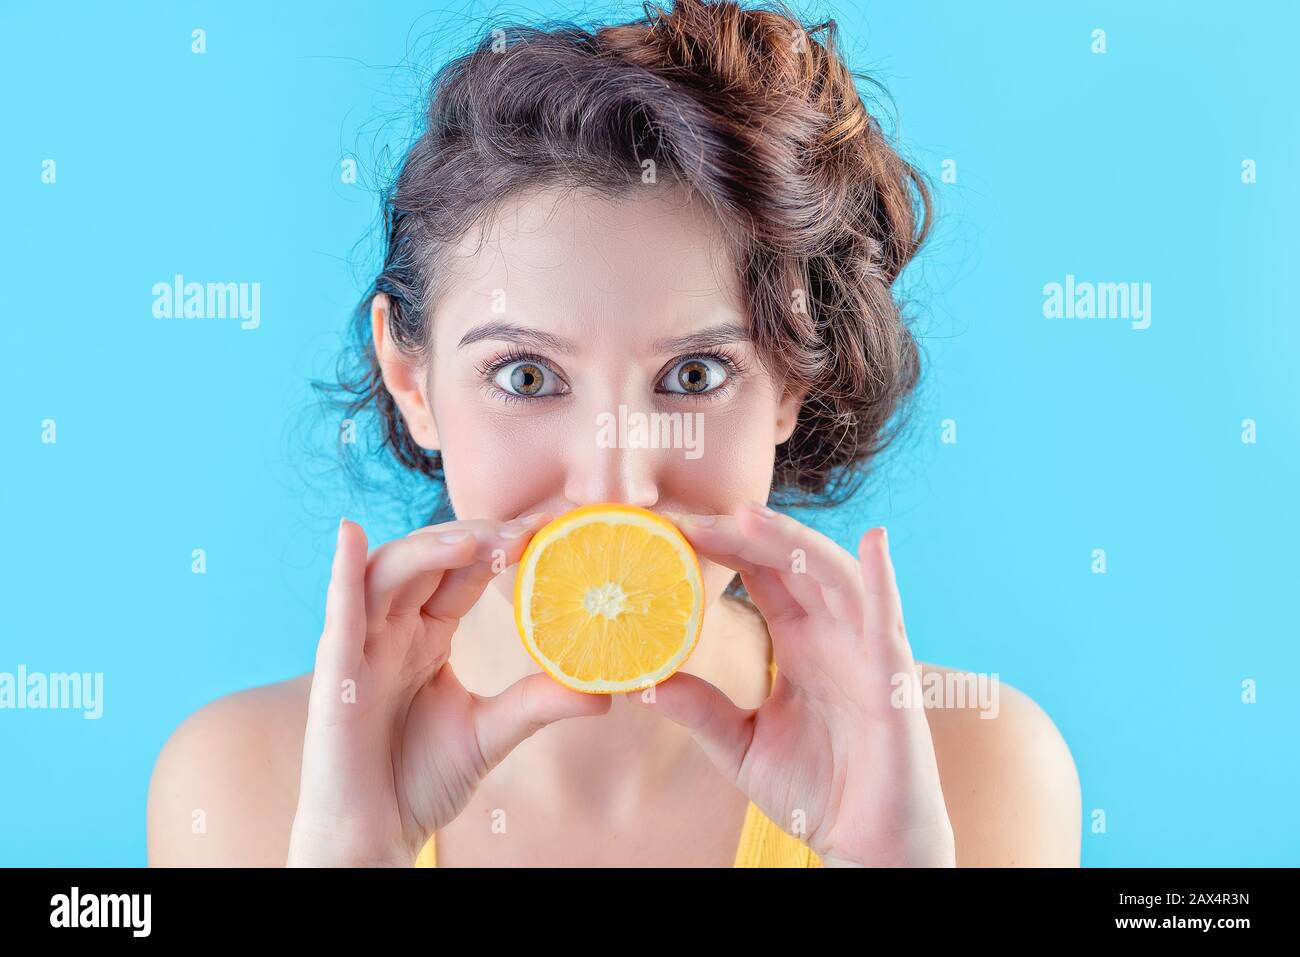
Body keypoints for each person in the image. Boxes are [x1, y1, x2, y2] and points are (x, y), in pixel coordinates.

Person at [147, 0, 1081, 867]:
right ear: (412, 380)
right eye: (527, 377)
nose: (615, 485)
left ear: (792, 382)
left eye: (694, 376)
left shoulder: (980, 770)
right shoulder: (237, 787)